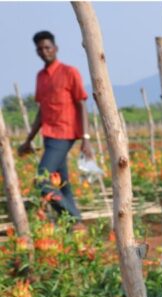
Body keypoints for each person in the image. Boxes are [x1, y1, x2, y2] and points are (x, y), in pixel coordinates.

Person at [18, 30, 93, 221]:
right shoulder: (40, 77)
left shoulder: (69, 72)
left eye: (47, 47)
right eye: (40, 49)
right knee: (62, 185)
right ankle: (74, 230)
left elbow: (81, 103)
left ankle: (74, 218)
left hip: (65, 133)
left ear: (55, 48)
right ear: (37, 52)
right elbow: (42, 111)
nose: (44, 51)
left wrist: (86, 139)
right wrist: (28, 140)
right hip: (49, 135)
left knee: (42, 182)